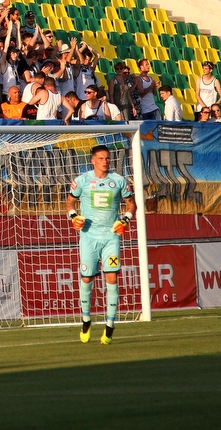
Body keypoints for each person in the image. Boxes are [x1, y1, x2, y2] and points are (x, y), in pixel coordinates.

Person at [67, 144, 136, 345]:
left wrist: (125, 219)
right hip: (88, 237)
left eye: (107, 158)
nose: (105, 161)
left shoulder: (119, 180)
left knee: (112, 277)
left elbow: (131, 203)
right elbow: (69, 202)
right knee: (87, 278)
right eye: (101, 158)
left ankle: (110, 325)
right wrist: (73, 217)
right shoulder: (82, 181)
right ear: (92, 160)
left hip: (111, 237)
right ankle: (86, 320)